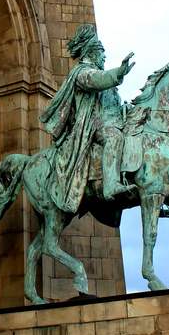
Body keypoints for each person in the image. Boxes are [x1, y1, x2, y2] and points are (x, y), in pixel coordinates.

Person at [39, 24, 134, 213]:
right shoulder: (82, 73)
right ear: (92, 52)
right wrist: (118, 73)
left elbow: (109, 102)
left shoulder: (98, 74)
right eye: (102, 52)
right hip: (92, 124)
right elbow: (97, 81)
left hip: (111, 121)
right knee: (114, 138)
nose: (104, 57)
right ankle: (111, 185)